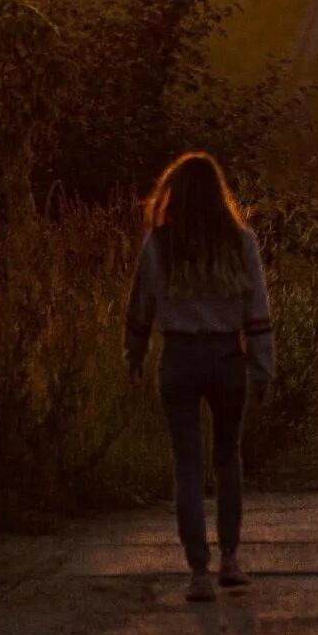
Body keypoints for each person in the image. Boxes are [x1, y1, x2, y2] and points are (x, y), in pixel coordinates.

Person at [127, 151, 276, 603]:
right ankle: (230, 559)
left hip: (179, 356)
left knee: (187, 465)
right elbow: (257, 311)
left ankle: (198, 572)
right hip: (227, 356)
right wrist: (263, 367)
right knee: (227, 458)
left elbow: (140, 307)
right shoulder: (241, 241)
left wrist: (134, 354)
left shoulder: (160, 244)